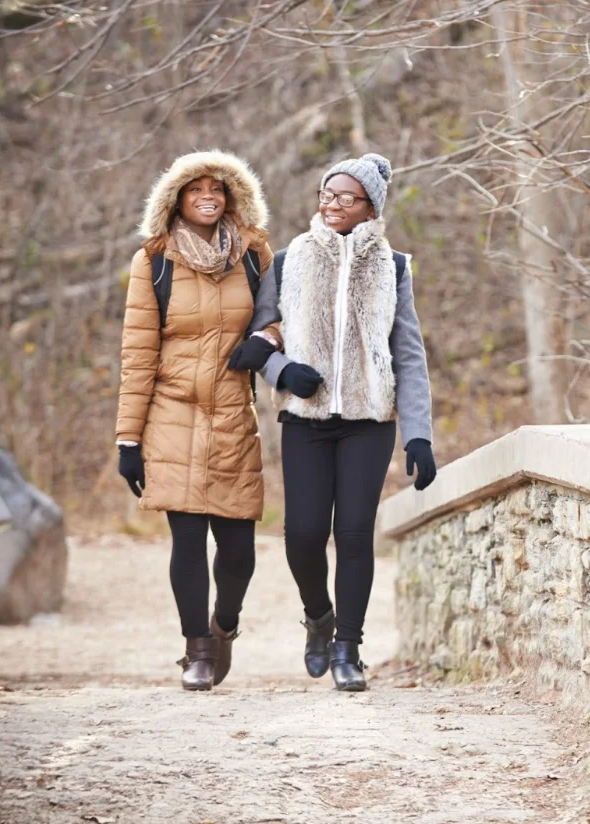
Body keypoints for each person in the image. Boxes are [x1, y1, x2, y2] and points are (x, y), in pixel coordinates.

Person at [229, 152, 436, 692]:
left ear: (371, 207)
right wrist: (282, 371)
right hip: (305, 419)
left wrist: (418, 433)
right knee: (301, 535)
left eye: (347, 198)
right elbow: (260, 333)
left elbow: (409, 354)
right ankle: (318, 617)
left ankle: (348, 648)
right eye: (327, 194)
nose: (334, 205)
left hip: (368, 422)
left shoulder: (394, 267)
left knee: (353, 534)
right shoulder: (289, 258)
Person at [115, 150, 276, 691]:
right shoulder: (154, 261)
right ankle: (197, 651)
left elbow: (282, 317)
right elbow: (138, 354)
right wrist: (128, 438)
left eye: (218, 189)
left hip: (233, 415)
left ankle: (223, 626)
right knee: (188, 542)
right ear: (177, 200)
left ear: (232, 197)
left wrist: (265, 340)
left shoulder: (255, 255)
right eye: (195, 189)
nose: (208, 197)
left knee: (238, 552)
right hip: (171, 415)